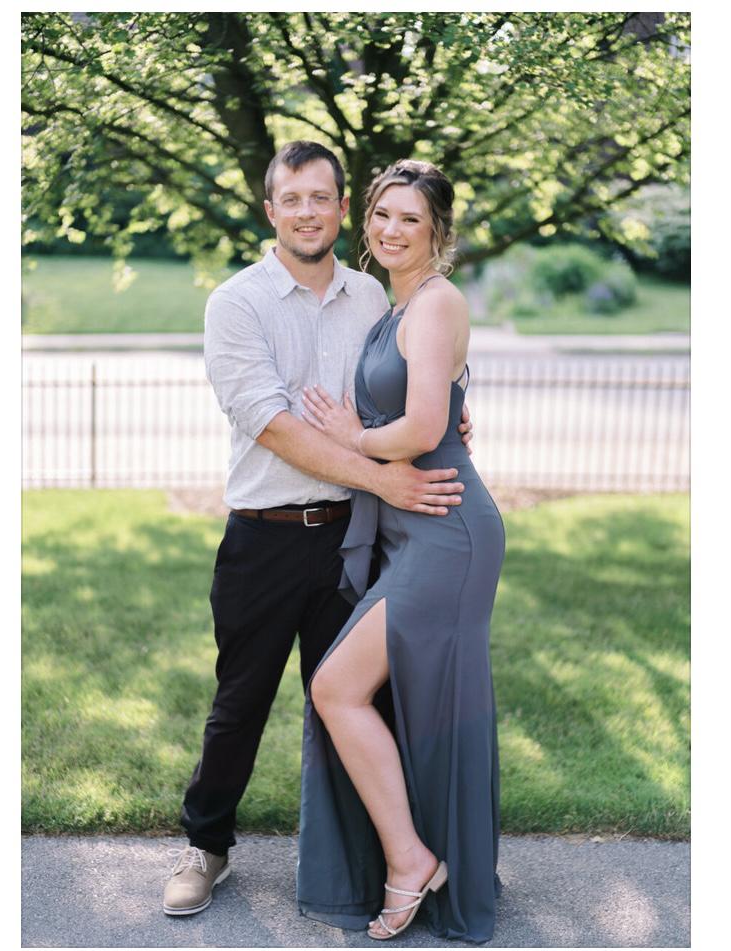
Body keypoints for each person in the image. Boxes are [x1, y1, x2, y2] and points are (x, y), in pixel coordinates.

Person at [162, 142, 474, 917]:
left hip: (356, 536)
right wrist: (383, 473)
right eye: (292, 199)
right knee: (240, 702)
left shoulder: (373, 296)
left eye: (321, 198)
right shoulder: (237, 303)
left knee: (355, 701)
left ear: (341, 208)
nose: (307, 212)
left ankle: (356, 866)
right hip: (264, 535)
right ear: (271, 210)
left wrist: (451, 414)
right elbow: (273, 425)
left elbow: (410, 381)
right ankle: (206, 845)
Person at [296, 160, 505, 943]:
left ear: (437, 231)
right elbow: (439, 405)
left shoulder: (437, 300)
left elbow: (422, 428)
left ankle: (414, 860)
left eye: (410, 218)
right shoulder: (400, 306)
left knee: (339, 687)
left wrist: (353, 437)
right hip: (414, 528)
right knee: (377, 694)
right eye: (382, 214)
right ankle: (420, 856)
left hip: (446, 531)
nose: (390, 229)